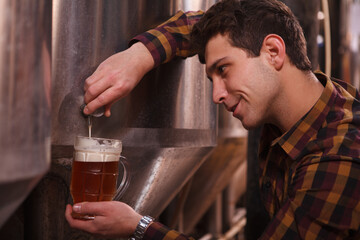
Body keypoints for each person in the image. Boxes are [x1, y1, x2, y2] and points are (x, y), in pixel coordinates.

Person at [65, 0, 360, 239]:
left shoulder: (338, 155)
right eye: (211, 78)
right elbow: (207, 28)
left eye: (223, 70)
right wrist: (139, 56)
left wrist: (139, 228)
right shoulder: (306, 110)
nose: (216, 95)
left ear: (273, 52)